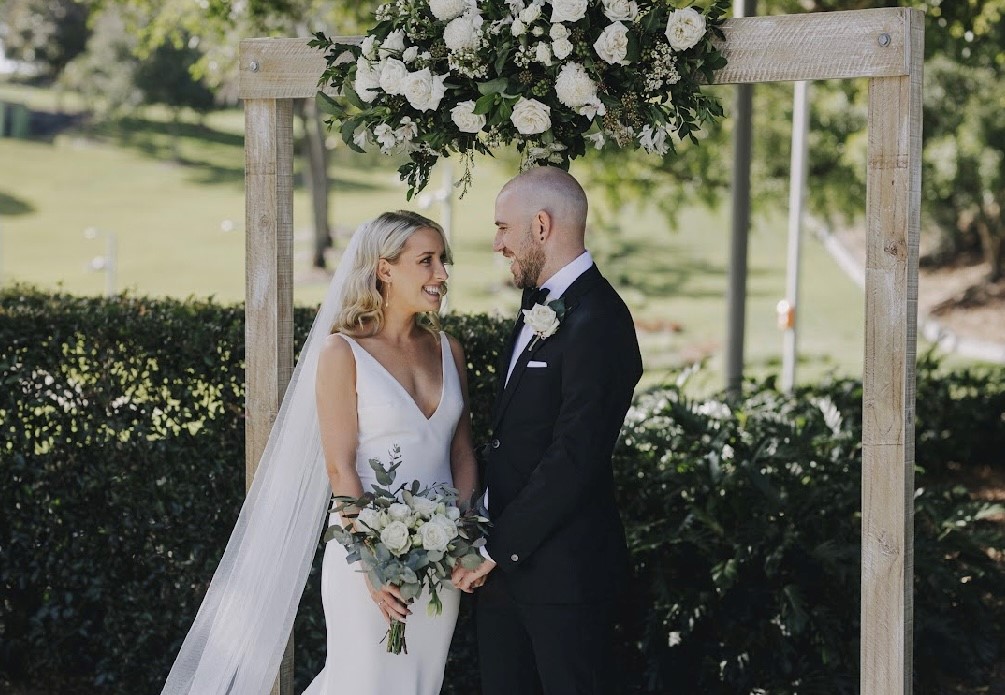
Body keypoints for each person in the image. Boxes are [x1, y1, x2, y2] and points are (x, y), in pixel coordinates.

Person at [162, 211, 478, 695]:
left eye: (443, 261)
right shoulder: (341, 353)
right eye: (427, 261)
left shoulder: (447, 349)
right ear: (385, 268)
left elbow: (461, 452)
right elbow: (339, 466)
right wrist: (372, 564)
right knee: (362, 683)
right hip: (365, 560)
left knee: (421, 682)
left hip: (440, 562)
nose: (441, 275)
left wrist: (462, 538)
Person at [452, 166, 643, 695]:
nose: (496, 244)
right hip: (504, 576)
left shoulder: (600, 318)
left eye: (502, 228)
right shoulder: (538, 304)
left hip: (566, 580)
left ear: (540, 226)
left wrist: (496, 549)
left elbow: (576, 456)